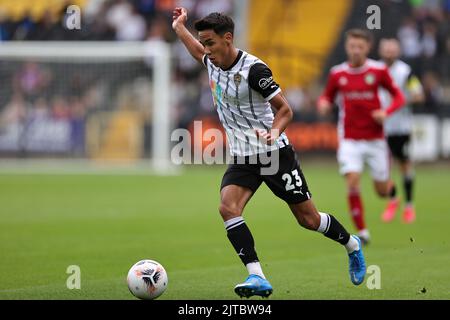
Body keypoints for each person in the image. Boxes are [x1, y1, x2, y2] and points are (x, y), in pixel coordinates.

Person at [172, 8, 366, 298]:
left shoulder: (254, 70)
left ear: (228, 39)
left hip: (273, 153)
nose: (206, 49)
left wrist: (273, 132)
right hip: (242, 156)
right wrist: (179, 28)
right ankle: (256, 276)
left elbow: (286, 109)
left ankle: (351, 244)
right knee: (228, 208)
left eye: (210, 42)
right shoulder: (211, 60)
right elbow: (195, 49)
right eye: (204, 42)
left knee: (308, 220)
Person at [317, 29, 406, 245]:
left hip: (375, 140)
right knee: (353, 180)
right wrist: (323, 105)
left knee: (381, 191)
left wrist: (386, 112)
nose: (356, 51)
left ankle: (391, 190)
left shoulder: (378, 70)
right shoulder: (337, 73)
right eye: (352, 46)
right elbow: (326, 97)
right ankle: (363, 232)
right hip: (349, 138)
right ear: (347, 47)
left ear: (368, 48)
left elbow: (399, 97)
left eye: (360, 47)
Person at [378, 38, 424, 223]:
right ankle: (393, 200)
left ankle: (409, 206)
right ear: (381, 51)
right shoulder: (375, 69)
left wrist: (401, 101)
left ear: (398, 52)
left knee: (404, 165)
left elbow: (419, 95)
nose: (389, 53)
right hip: (380, 127)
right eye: (386, 50)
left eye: (392, 50)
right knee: (383, 168)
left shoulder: (405, 72)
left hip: (400, 127)